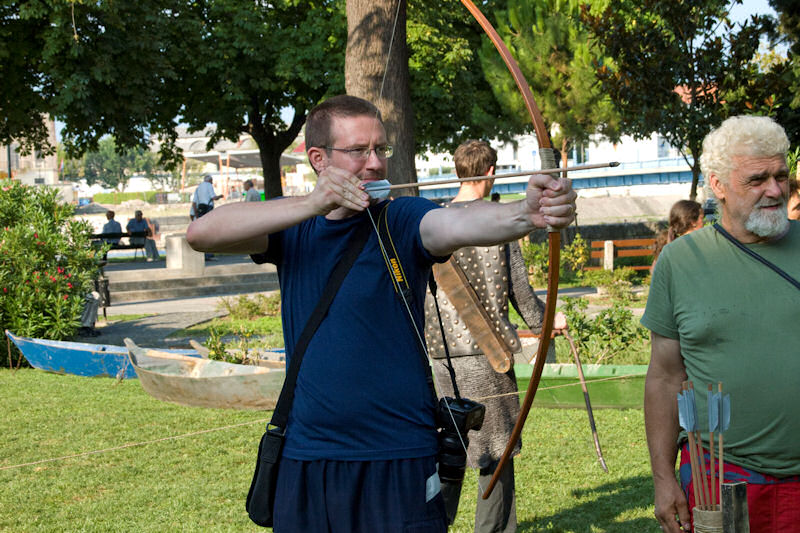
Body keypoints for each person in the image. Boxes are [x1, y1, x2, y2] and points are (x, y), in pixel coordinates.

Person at [186, 95, 576, 533]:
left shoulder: (402, 218)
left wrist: (525, 213)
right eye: (358, 150)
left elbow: (457, 223)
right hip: (309, 455)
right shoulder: (294, 228)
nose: (374, 163)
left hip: (400, 455)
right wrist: (311, 204)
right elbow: (201, 234)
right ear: (318, 158)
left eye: (381, 149)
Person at [642, 115, 800, 533]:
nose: (775, 190)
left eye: (780, 175)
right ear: (718, 186)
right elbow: (664, 377)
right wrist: (663, 480)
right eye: (757, 179)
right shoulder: (680, 262)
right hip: (720, 477)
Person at [423, 140, 567, 532]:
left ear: (458, 171)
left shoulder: (431, 222)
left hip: (441, 354)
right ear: (490, 172)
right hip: (488, 355)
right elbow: (523, 295)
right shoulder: (500, 223)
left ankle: (434, 524)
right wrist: (549, 321)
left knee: (451, 448)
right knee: (495, 452)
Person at [652, 199, 703, 266]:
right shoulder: (695, 247)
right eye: (701, 218)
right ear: (693, 222)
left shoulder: (669, 244)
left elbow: (654, 269)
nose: (703, 223)